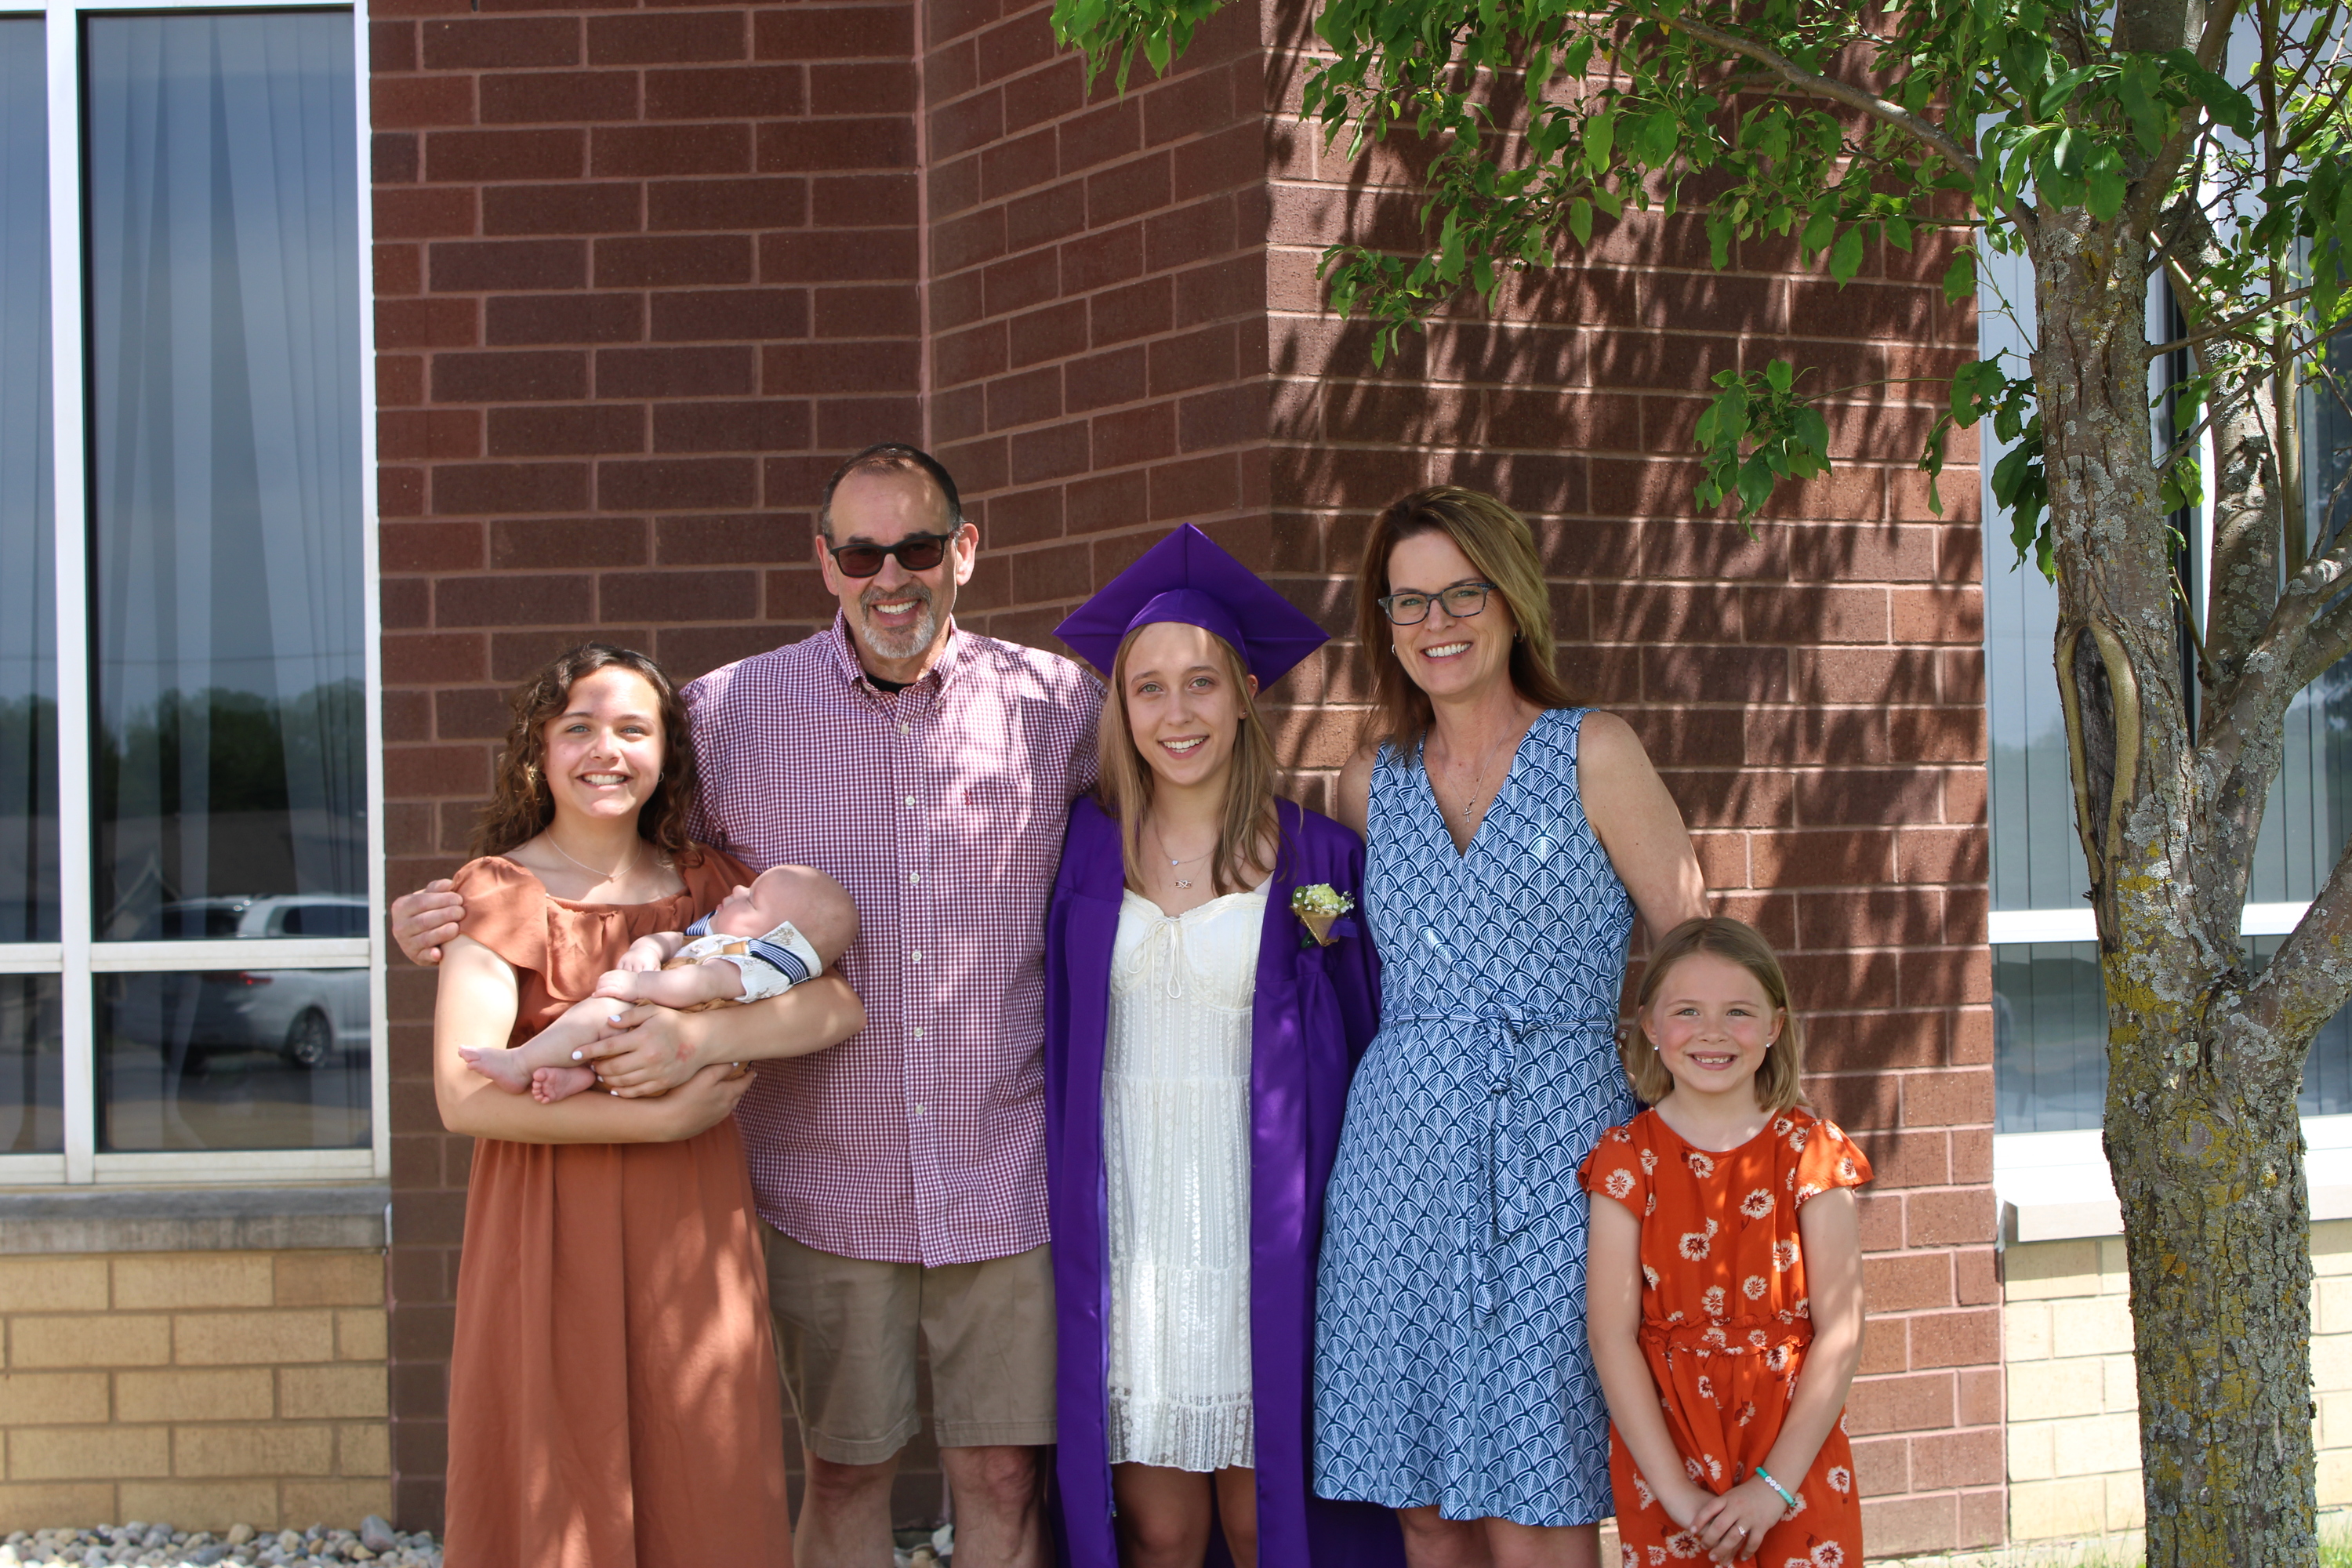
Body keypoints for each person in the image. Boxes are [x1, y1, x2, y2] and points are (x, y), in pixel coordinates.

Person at [393, 444, 1099, 1568]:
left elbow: (1174, 803)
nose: (891, 578)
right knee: (847, 1468)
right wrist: (452, 911)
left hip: (1001, 1164)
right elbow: (610, 843)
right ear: (825, 561)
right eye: (861, 552)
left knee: (1007, 1472)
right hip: (820, 1174)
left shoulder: (1057, 709)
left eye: (918, 547)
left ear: (965, 551)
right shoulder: (728, 714)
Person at [1313, 486, 1710, 1568]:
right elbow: (1322, 935)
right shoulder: (1366, 787)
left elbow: (1694, 949)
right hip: (1398, 1156)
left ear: (1512, 600)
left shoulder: (1595, 751)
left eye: (1460, 594)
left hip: (1563, 1147)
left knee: (1537, 1499)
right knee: (1427, 1507)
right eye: (1408, 604)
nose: (1436, 625)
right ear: (1382, 625)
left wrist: (1704, 1137)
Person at [430, 642, 866, 1568]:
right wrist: (659, 1117)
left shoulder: (714, 886)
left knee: (699, 1465)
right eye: (578, 726)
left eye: (634, 727)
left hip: (690, 1225)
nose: (606, 749)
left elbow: (836, 1004)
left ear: (666, 751)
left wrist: (701, 1041)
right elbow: (464, 1093)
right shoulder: (497, 891)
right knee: (558, 1470)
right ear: (537, 749)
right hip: (546, 1222)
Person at [1042, 526, 1407, 1568]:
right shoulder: (1078, 849)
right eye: (1148, 688)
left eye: (1201, 682)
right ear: (1121, 706)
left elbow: (1368, 1049)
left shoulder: (1321, 859)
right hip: (1131, 1223)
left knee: (1264, 1522)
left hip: (1261, 1223)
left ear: (1246, 690)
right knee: (1159, 1533)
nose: (1176, 712)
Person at [1579, 916, 1868, 1568]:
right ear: (1650, 1026)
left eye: (1738, 1011)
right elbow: (1610, 1335)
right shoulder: (1626, 1161)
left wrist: (1772, 1489)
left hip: (1793, 1459)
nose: (1712, 1032)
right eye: (1688, 1012)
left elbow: (1842, 1332)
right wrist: (1678, 1496)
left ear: (1774, 1026)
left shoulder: (1811, 1155)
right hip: (1668, 1457)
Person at [459, 861, 857, 1102]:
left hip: (683, 1064)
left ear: (775, 939)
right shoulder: (714, 940)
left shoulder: (751, 965)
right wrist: (647, 951)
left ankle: (520, 1062)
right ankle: (580, 1077)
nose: (737, 888)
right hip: (654, 1040)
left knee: (603, 1013)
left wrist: (639, 987)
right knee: (609, 1028)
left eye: (751, 899)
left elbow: (701, 985)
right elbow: (671, 941)